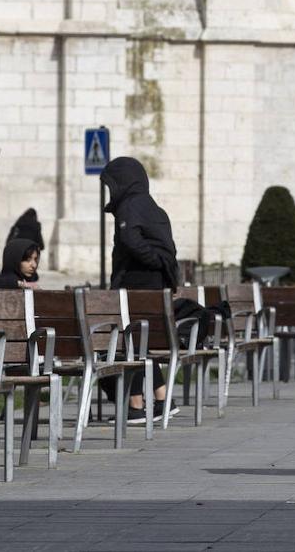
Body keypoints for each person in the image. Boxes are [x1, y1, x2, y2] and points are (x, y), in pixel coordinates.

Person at [99, 156, 180, 423]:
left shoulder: (130, 206)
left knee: (129, 341)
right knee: (142, 342)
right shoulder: (152, 207)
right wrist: (158, 265)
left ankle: (135, 406)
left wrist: (150, 260)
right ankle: (163, 399)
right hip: (155, 286)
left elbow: (130, 239)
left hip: (135, 284)